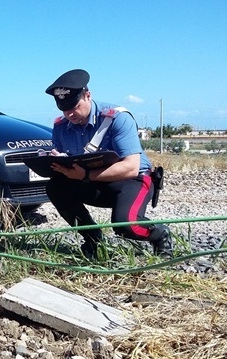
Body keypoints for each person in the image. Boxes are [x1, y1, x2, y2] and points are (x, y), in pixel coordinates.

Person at [43, 69, 172, 259]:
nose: (70, 114)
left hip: (133, 180)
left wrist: (86, 176)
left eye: (74, 106)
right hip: (93, 181)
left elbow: (131, 166)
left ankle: (160, 235)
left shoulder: (117, 118)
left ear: (88, 95)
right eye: (64, 109)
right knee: (56, 187)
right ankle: (93, 239)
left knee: (125, 226)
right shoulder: (61, 126)